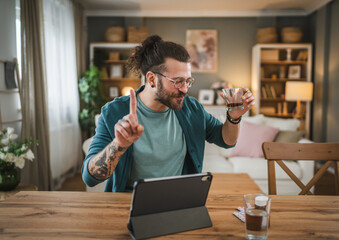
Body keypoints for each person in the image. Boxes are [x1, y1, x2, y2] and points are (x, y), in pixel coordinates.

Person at [82, 35, 255, 192]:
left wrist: (234, 116)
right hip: (128, 202)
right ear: (151, 79)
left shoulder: (191, 108)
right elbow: (89, 177)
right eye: (178, 82)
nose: (185, 89)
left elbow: (227, 140)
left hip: (178, 200)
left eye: (188, 81)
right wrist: (118, 145)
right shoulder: (114, 112)